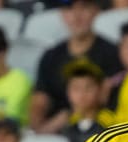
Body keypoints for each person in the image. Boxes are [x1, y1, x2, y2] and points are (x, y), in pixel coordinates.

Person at [29, 0, 122, 134]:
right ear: (62, 14)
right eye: (69, 8)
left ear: (95, 11)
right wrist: (41, 128)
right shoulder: (50, 57)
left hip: (102, 131)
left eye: (84, 7)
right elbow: (39, 102)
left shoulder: (113, 54)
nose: (76, 16)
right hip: (58, 135)